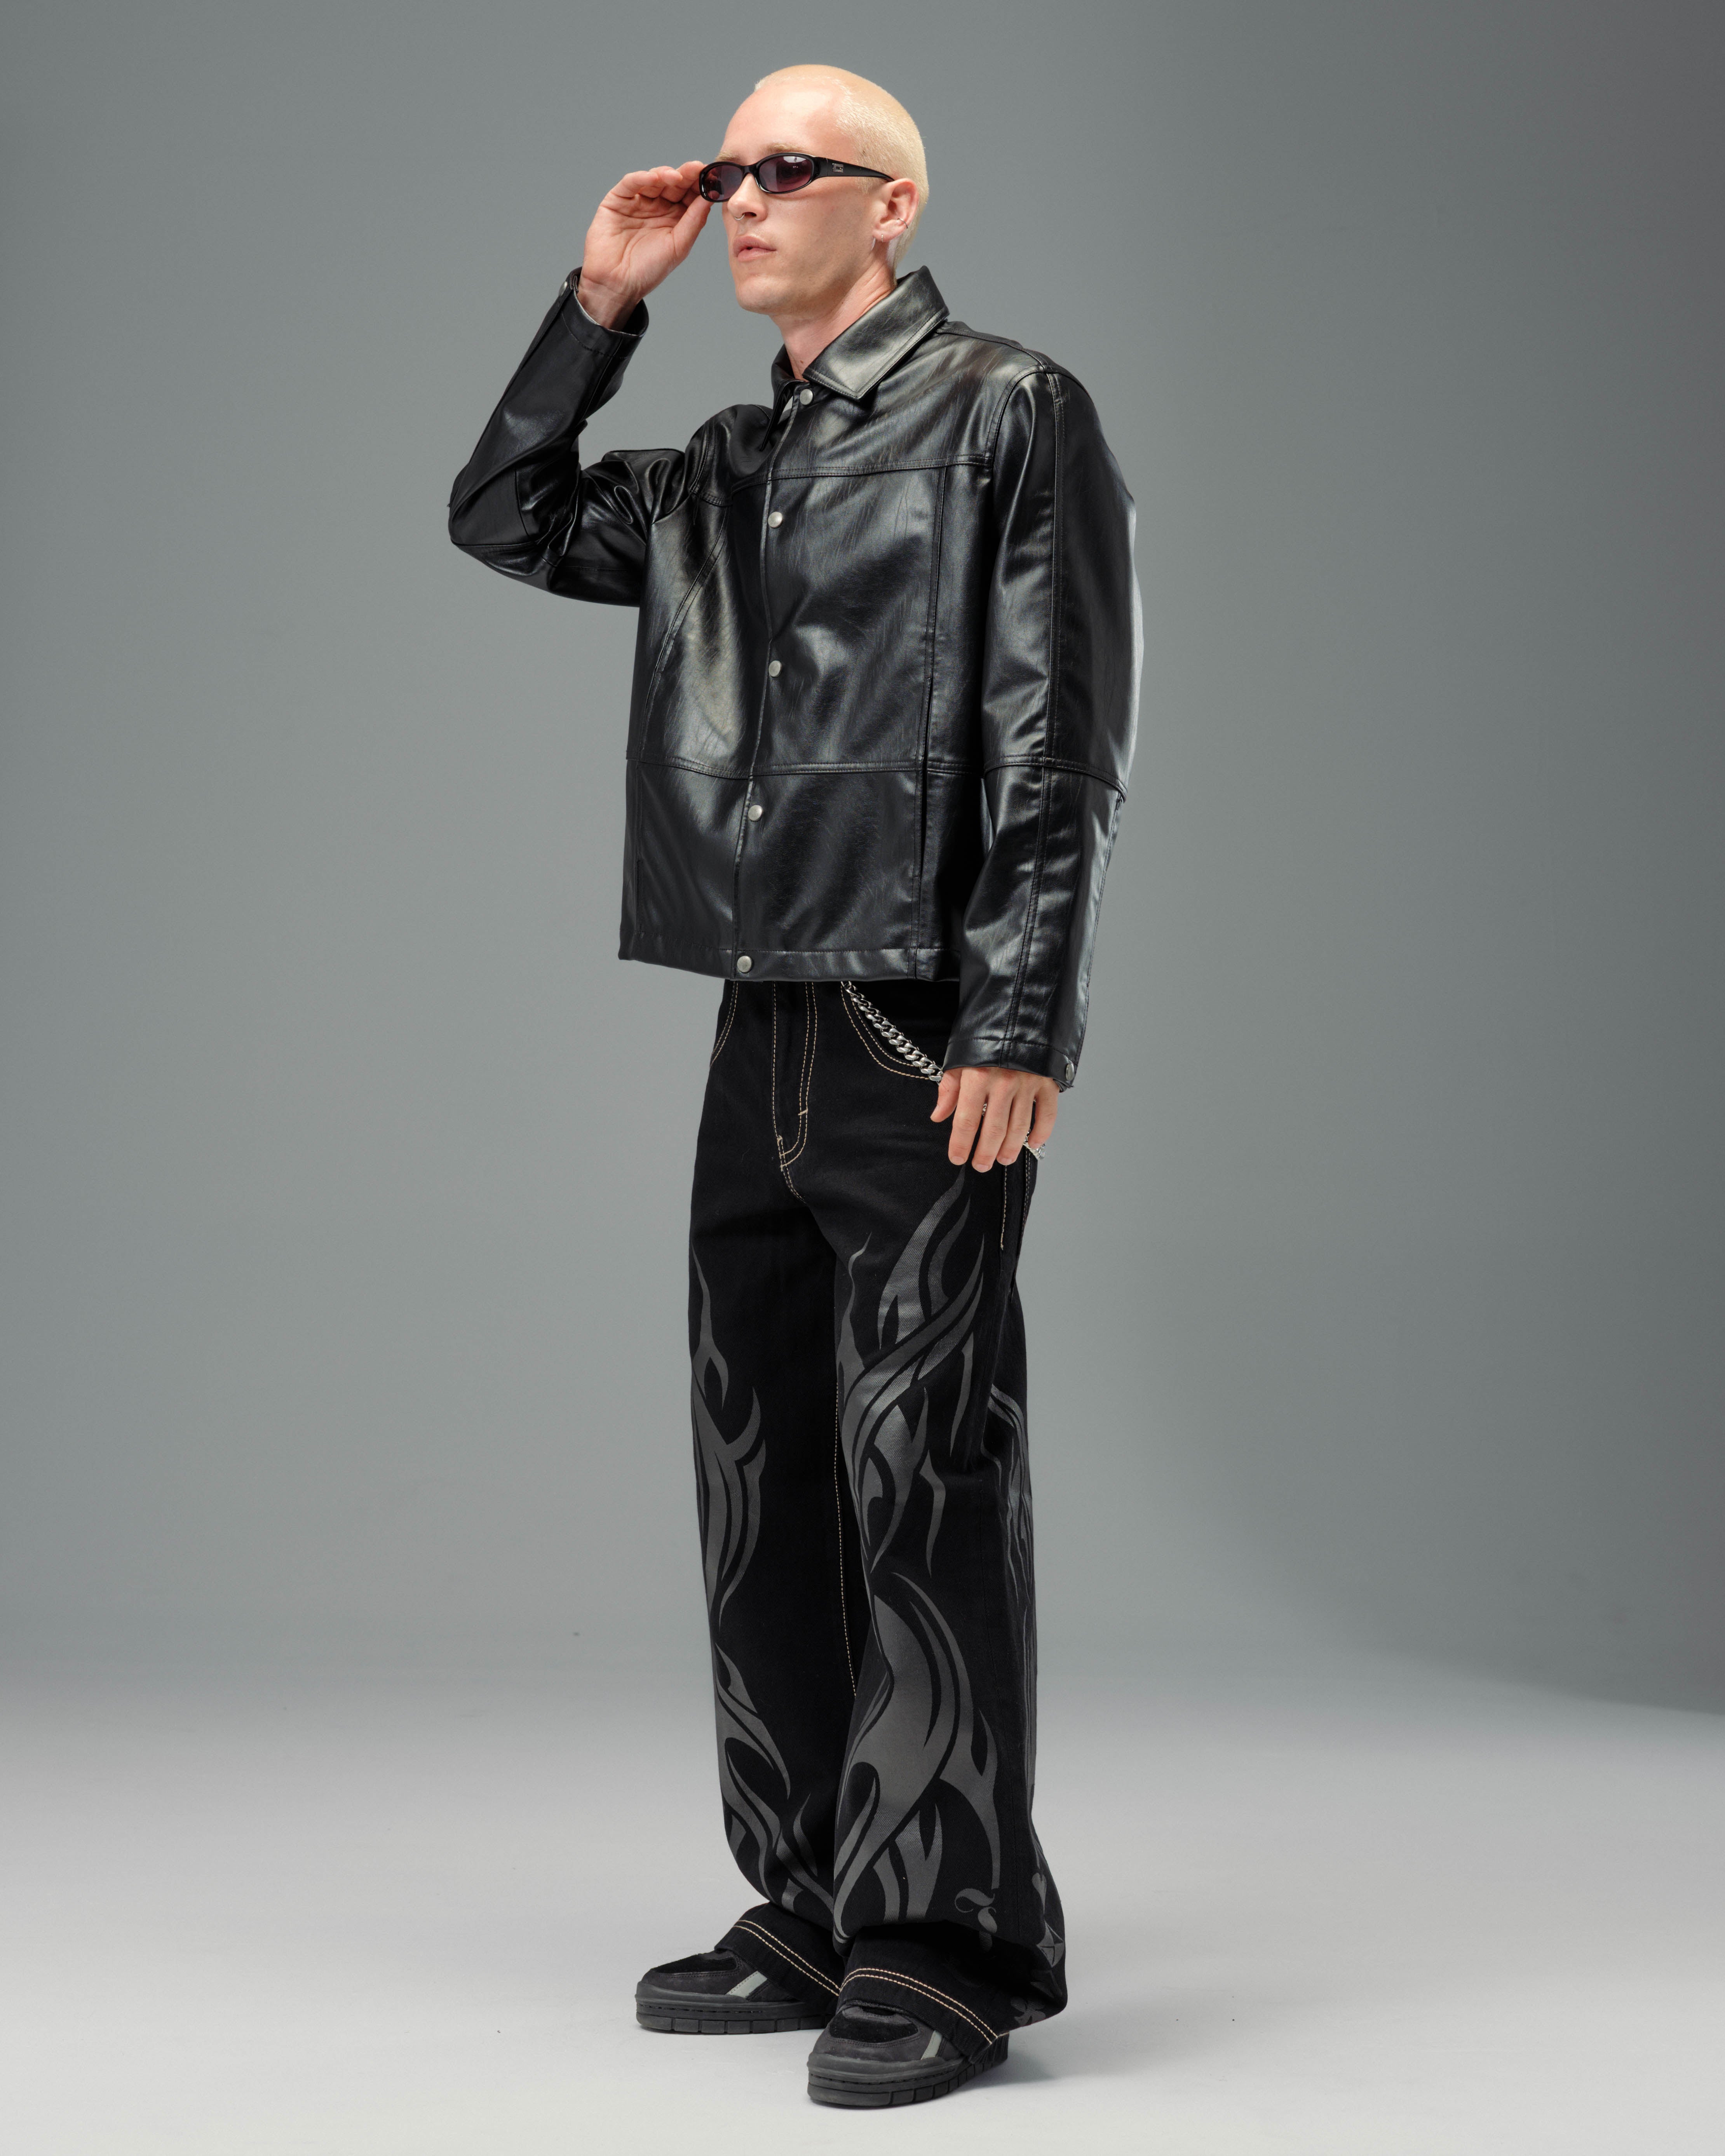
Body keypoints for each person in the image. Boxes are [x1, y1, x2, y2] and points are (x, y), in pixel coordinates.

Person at [448, 61, 1140, 2109]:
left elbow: (1059, 729)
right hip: (759, 1017)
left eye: (783, 169)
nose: (742, 199)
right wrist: (602, 294)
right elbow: (503, 516)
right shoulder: (725, 467)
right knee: (763, 1475)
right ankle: (819, 1896)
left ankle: (951, 1942)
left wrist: (1018, 1016)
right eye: (726, 171)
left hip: (919, 1022)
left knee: (924, 1469)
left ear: (890, 205)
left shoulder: (1009, 411)